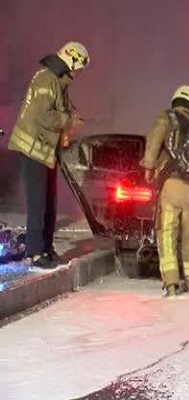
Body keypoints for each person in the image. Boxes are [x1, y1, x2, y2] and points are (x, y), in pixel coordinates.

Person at [7, 41, 89, 269]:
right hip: (33, 150)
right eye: (78, 68)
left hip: (45, 152)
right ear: (71, 61)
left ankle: (46, 248)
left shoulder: (57, 81)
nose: (78, 74)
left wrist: (71, 117)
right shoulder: (46, 79)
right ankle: (35, 252)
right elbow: (44, 116)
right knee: (38, 204)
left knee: (49, 204)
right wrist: (69, 121)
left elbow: (60, 110)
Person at [140, 85, 189, 298]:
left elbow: (153, 143)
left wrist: (149, 167)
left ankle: (171, 285)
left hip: (171, 184)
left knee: (167, 233)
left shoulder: (166, 118)